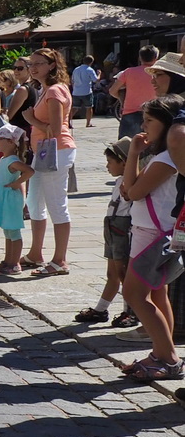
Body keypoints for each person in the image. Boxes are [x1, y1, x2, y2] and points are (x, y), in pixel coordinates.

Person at [116, 97, 185, 382]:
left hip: (156, 235)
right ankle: (162, 352)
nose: (143, 126)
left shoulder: (168, 159)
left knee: (134, 294)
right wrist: (133, 153)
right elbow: (127, 187)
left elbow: (132, 192)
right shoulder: (161, 156)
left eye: (150, 121)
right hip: (149, 232)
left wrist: (132, 181)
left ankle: (168, 359)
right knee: (157, 294)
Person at [22, 47, 75, 276]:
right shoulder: (45, 89)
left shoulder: (54, 91)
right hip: (43, 152)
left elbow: (54, 129)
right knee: (35, 202)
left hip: (56, 150)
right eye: (31, 64)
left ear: (52, 65)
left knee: (56, 204)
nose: (33, 68)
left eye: (39, 63)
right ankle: (36, 253)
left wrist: (31, 119)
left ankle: (60, 260)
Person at [75, 136, 136, 325]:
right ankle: (101, 310)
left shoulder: (130, 182)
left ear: (124, 162)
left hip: (122, 229)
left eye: (110, 162)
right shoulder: (119, 181)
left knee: (123, 273)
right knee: (113, 274)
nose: (107, 166)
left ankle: (132, 311)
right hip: (112, 227)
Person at [0, 125, 34, 275]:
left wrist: (17, 183)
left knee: (13, 232)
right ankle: (8, 260)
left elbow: (29, 171)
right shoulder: (5, 159)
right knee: (8, 232)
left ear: (11, 142)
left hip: (10, 200)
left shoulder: (12, 160)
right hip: (4, 199)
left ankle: (15, 263)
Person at [109, 47, 159, 138]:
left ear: (140, 58)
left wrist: (121, 99)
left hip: (130, 112)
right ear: (156, 58)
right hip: (153, 113)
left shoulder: (128, 72)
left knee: (125, 147)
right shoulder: (159, 73)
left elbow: (112, 91)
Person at [72, 55, 100, 127]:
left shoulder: (76, 69)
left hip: (76, 91)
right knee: (89, 107)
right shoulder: (90, 70)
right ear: (91, 62)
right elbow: (96, 80)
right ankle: (88, 123)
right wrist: (99, 74)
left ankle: (67, 121)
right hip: (86, 91)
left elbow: (72, 80)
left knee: (74, 108)